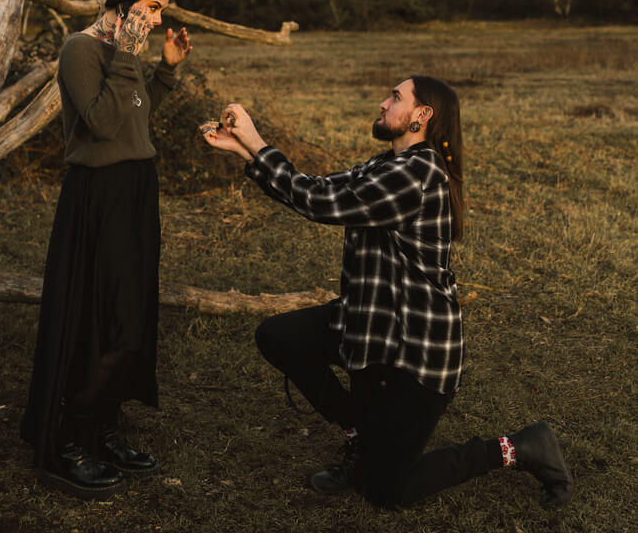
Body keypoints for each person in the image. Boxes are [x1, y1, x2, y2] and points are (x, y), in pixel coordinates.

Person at [201, 76, 573, 511]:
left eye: (395, 97)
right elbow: (316, 187)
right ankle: (362, 430)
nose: (382, 103)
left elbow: (320, 202)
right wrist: (244, 150)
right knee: (278, 336)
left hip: (415, 355)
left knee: (385, 492)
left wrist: (256, 140)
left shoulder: (416, 173)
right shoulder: (387, 165)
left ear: (422, 115)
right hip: (370, 326)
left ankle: (521, 447)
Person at [21, 0, 192, 500]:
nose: (156, 18)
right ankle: (69, 439)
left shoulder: (126, 52)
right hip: (97, 196)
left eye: (160, 9)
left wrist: (163, 69)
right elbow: (100, 123)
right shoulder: (82, 49)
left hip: (137, 189)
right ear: (123, 4)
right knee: (98, 316)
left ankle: (104, 428)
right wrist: (126, 55)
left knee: (129, 314)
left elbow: (134, 119)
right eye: (150, 7)